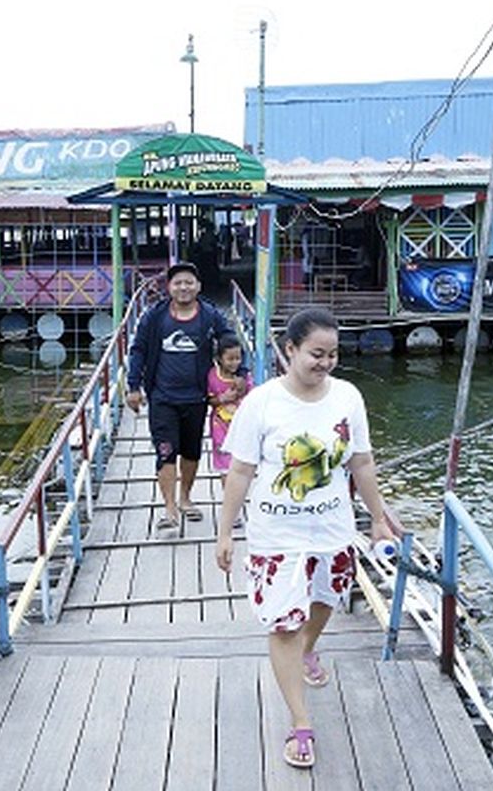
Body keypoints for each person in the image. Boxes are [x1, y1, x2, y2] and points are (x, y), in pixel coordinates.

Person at [214, 307, 401, 770]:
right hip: (276, 534)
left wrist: (378, 517)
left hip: (332, 528)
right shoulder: (262, 403)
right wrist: (225, 532)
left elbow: (361, 462)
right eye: (317, 353)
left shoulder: (348, 397)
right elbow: (240, 472)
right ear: (290, 349)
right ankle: (301, 723)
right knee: (284, 625)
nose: (326, 362)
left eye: (333, 354)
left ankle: (309, 648)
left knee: (325, 600)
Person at [126, 262, 238, 531]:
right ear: (169, 287)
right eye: (178, 283)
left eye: (189, 282)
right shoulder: (155, 316)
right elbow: (138, 349)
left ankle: (185, 498)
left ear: (198, 286)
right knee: (165, 452)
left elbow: (230, 340)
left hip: (197, 397)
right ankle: (170, 509)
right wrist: (133, 386)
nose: (183, 287)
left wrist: (240, 373)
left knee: (191, 451)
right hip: (162, 397)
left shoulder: (209, 315)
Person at [206, 333, 253, 512]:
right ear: (219, 358)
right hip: (221, 428)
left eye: (238, 358)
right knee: (225, 468)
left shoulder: (244, 378)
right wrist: (222, 398)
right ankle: (231, 506)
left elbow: (253, 397)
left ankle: (237, 502)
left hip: (241, 427)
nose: (235, 363)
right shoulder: (212, 376)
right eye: (230, 359)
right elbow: (209, 399)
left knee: (241, 466)